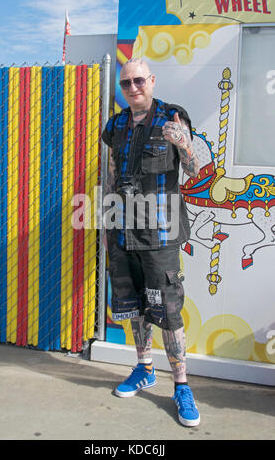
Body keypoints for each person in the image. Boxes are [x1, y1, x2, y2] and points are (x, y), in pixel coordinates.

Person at [102, 58, 201, 427]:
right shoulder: (115, 125)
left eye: (139, 80)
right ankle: (144, 368)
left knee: (169, 310)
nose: (133, 88)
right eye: (126, 83)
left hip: (159, 233)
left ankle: (181, 386)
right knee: (133, 304)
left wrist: (184, 145)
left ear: (152, 81)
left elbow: (192, 170)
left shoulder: (172, 117)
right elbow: (113, 174)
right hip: (122, 229)